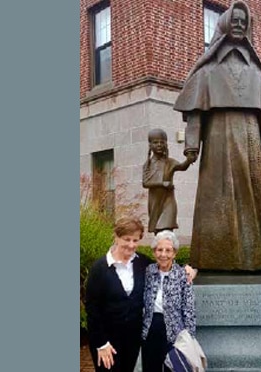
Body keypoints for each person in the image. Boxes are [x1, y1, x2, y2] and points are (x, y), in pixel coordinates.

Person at [173, 0, 261, 271]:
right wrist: (191, 150)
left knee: (260, 196)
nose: (239, 25)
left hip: (250, 140)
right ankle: (217, 259)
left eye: (244, 22)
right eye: (235, 20)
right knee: (217, 201)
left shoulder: (255, 72)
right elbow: (195, 114)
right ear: (224, 24)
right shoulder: (206, 72)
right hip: (218, 143)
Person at [84, 218, 197, 372]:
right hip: (107, 341)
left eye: (135, 240)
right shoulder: (100, 268)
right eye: (127, 239)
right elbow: (92, 309)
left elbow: (166, 263)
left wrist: (189, 269)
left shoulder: (142, 263)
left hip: (132, 340)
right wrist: (101, 343)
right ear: (116, 237)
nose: (131, 244)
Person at [141, 230, 196, 372]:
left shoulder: (183, 275)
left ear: (174, 253)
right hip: (150, 329)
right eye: (159, 250)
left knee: (173, 368)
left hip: (175, 332)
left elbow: (189, 309)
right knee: (150, 367)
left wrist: (189, 338)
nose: (163, 254)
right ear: (154, 252)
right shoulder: (148, 271)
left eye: (168, 250)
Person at [142, 128, 194, 234]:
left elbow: (182, 166)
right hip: (155, 202)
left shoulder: (170, 162)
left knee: (167, 228)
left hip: (168, 200)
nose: (159, 144)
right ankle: (161, 250)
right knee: (158, 231)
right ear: (150, 145)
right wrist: (163, 184)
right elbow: (145, 183)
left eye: (162, 142)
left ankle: (169, 249)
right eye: (155, 142)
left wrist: (188, 160)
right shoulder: (148, 165)